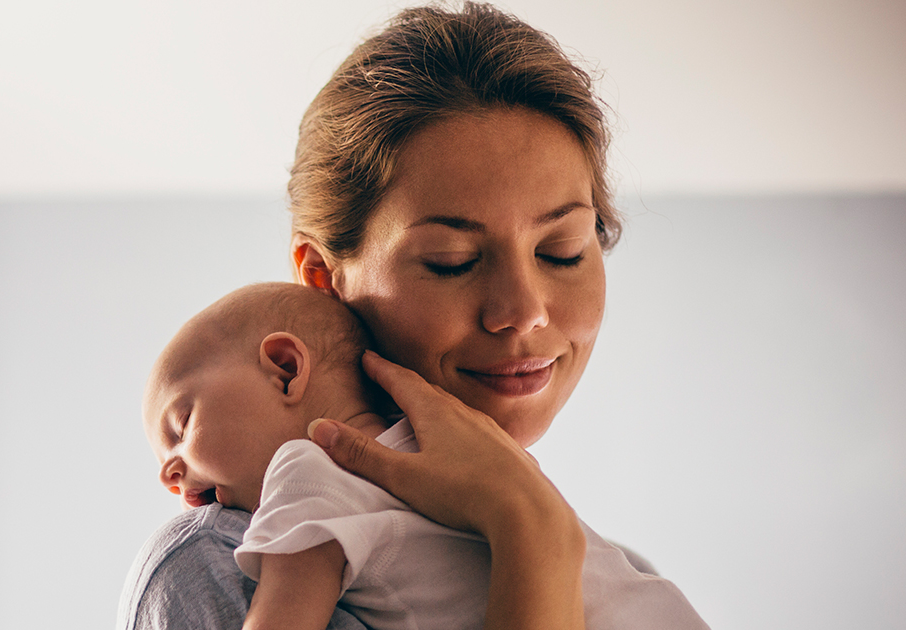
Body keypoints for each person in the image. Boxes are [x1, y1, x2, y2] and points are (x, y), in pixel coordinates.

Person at [118, 3, 709, 629]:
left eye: (560, 252)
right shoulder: (217, 562)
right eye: (452, 261)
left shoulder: (620, 574)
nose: (524, 312)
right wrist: (532, 537)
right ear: (324, 278)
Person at [139, 281, 705, 630]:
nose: (169, 470)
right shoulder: (475, 461)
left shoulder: (307, 471)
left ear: (285, 369)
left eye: (182, 424)